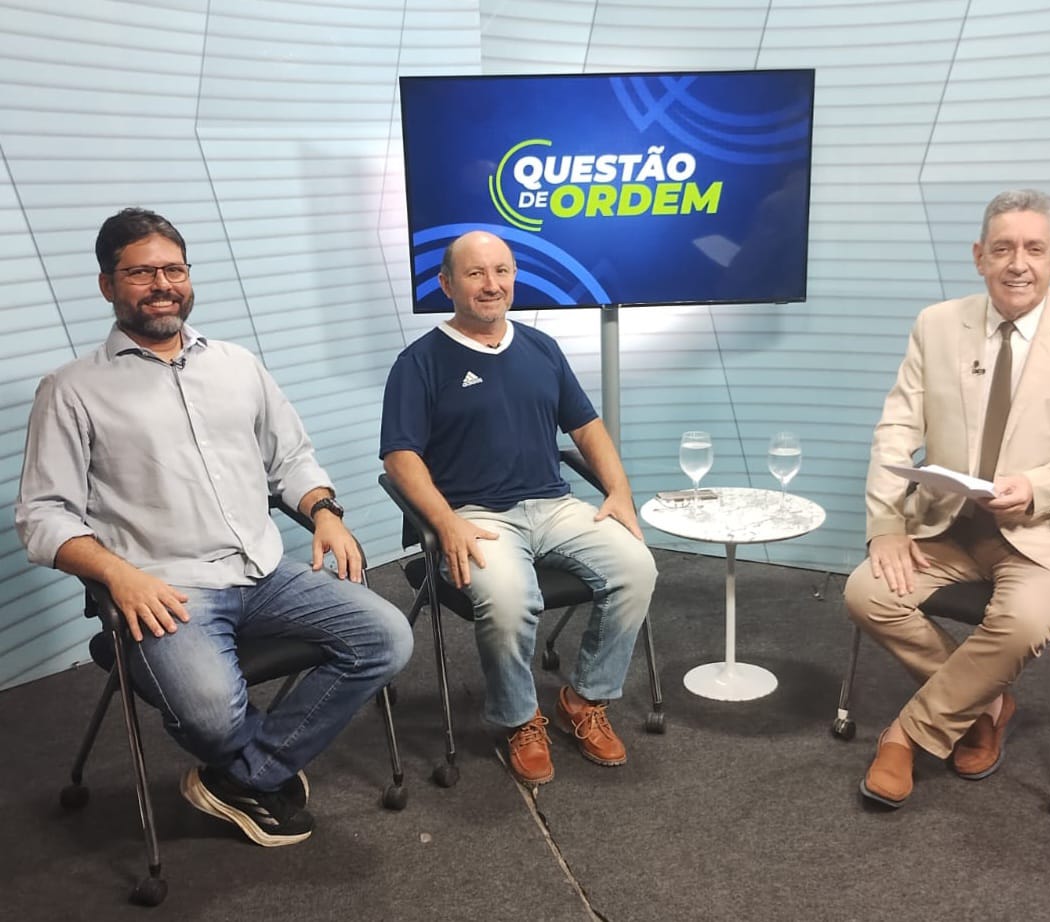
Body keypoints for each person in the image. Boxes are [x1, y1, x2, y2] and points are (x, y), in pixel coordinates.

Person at [16, 207, 414, 845]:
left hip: (264, 572)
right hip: (166, 590)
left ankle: (246, 774)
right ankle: (256, 766)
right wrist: (119, 576)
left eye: (173, 269)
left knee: (387, 637)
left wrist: (325, 512)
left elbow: (291, 459)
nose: (162, 284)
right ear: (107, 284)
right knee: (210, 715)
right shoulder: (71, 390)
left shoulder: (236, 364)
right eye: (141, 272)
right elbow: (42, 515)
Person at [844, 189, 1050, 808]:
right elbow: (897, 429)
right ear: (979, 256)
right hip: (948, 525)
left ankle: (908, 735)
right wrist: (886, 524)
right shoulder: (936, 325)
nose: (1018, 264)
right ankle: (987, 705)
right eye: (1003, 248)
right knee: (866, 593)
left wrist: (1039, 486)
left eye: (1034, 249)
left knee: (1023, 623)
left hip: (1047, 533)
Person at [379, 230, 657, 786]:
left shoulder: (541, 348)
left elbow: (586, 426)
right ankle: (519, 719)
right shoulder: (419, 362)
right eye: (475, 273)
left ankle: (584, 700)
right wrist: (446, 523)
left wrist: (619, 491)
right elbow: (399, 458)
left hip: (554, 506)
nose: (492, 284)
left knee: (637, 568)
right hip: (475, 517)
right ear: (446, 284)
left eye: (501, 271)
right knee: (510, 600)